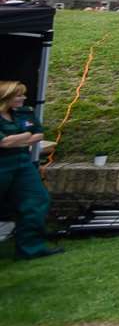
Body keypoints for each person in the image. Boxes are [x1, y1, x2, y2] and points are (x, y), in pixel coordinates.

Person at [0, 80, 58, 259]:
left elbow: (38, 134)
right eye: (18, 95)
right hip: (3, 164)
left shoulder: (24, 112)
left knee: (37, 200)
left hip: (22, 162)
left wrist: (18, 139)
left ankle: (30, 249)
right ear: (6, 97)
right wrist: (25, 136)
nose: (23, 98)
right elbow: (4, 142)